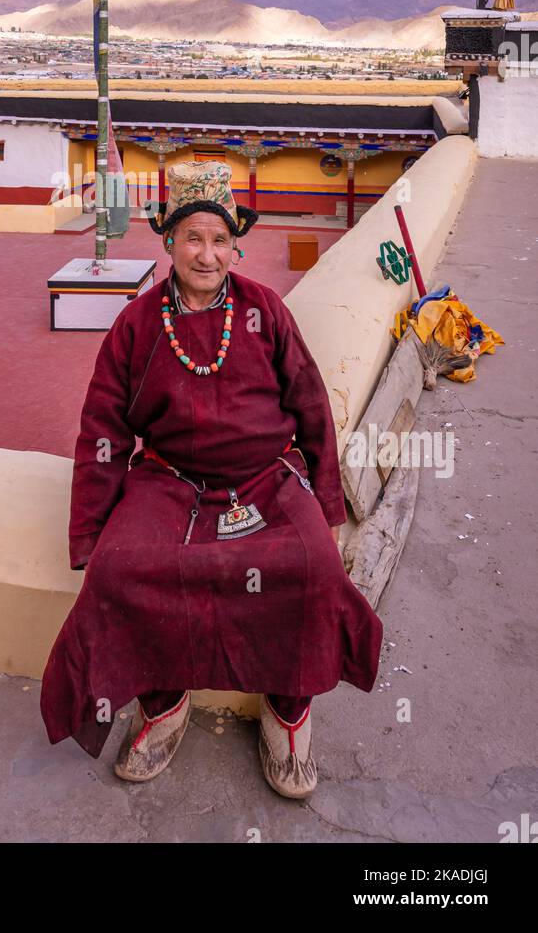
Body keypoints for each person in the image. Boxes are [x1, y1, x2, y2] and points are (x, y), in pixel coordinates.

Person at [39, 160, 383, 798]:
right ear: (168, 241)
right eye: (193, 237)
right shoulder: (137, 325)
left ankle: (288, 711)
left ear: (235, 246)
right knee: (122, 568)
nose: (207, 253)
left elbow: (311, 409)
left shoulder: (265, 310)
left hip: (266, 479)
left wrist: (329, 511)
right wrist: (91, 534)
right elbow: (103, 434)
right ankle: (165, 702)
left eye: (220, 239)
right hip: (168, 482)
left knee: (312, 566)